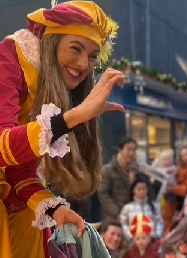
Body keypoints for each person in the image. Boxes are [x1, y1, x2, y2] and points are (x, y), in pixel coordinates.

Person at [0, 1, 125, 257]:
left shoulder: (53, 83)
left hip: (21, 217)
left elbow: (19, 170)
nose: (83, 64)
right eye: (75, 49)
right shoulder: (12, 57)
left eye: (92, 56)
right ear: (52, 42)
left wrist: (53, 209)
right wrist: (72, 117)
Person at [98, 137, 138, 222]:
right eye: (128, 149)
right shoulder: (108, 170)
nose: (131, 153)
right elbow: (103, 195)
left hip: (134, 216)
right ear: (120, 150)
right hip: (115, 219)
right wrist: (117, 214)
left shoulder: (136, 170)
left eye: (133, 150)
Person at [120, 175, 164, 244]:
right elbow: (124, 224)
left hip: (151, 241)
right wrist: (131, 237)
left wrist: (156, 235)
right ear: (133, 190)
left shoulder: (154, 206)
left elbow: (159, 222)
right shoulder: (127, 208)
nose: (141, 192)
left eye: (144, 189)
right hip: (133, 242)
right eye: (139, 189)